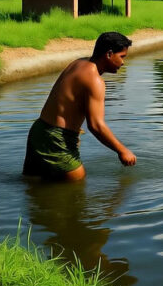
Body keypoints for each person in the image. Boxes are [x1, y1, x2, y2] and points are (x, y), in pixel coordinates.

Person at [23, 32, 137, 181]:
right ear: (109, 54)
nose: (123, 63)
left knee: (33, 184)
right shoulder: (95, 81)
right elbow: (96, 125)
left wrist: (75, 129)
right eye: (122, 57)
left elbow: (66, 101)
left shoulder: (78, 63)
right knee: (77, 183)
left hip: (39, 130)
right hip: (56, 139)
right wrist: (122, 150)